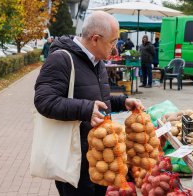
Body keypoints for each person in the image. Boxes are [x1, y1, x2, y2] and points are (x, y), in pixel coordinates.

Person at [34, 11, 144, 196]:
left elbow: (96, 100)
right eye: (112, 42)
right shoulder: (61, 59)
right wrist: (85, 109)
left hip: (100, 156)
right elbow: (44, 101)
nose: (116, 49)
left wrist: (122, 102)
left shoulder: (97, 61)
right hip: (74, 158)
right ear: (95, 39)